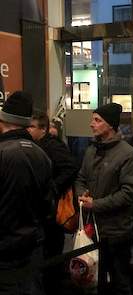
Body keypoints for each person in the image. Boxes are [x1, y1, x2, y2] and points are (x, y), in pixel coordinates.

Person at [75, 103, 133, 295]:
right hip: (92, 228)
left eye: (97, 120)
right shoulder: (91, 151)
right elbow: (80, 178)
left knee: (120, 280)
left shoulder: (127, 154)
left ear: (110, 125)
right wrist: (81, 193)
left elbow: (130, 193)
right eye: (92, 119)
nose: (91, 124)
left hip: (117, 230)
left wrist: (96, 204)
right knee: (95, 277)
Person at [0, 91, 52, 295]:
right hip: (33, 245)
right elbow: (49, 203)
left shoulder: (3, 153)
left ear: (4, 120)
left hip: (5, 251)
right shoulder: (41, 154)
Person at [27, 113, 79, 295]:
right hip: (45, 211)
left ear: (43, 129)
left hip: (52, 212)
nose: (28, 129)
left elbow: (71, 167)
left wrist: (53, 189)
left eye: (32, 127)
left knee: (52, 254)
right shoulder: (39, 145)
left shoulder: (52, 146)